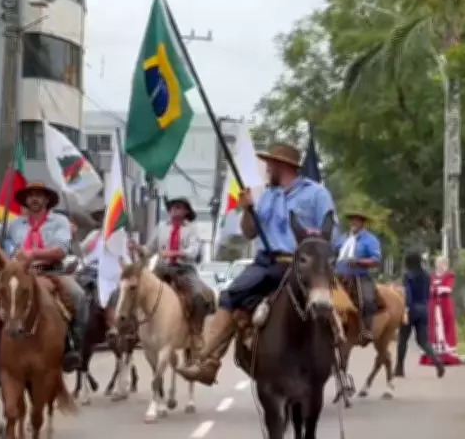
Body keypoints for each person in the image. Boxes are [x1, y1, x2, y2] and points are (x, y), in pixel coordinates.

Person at [176, 143, 337, 385]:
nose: (267, 169)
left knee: (334, 304)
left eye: (270, 165)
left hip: (302, 262)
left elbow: (331, 233)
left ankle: (337, 360)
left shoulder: (316, 194)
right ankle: (209, 363)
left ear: (283, 166)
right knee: (231, 295)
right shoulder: (267, 195)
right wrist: (248, 210)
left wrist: (313, 239)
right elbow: (249, 233)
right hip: (266, 262)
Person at [0, 181, 87, 373]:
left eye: (39, 195)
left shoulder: (60, 221)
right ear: (25, 200)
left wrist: (34, 254)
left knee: (78, 295)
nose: (34, 198)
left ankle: (74, 346)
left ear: (47, 200)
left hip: (50, 272)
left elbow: (60, 250)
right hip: (18, 275)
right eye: (30, 195)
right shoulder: (14, 223)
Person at [132, 197, 205, 350]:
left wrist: (177, 252)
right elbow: (149, 250)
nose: (174, 209)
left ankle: (196, 333)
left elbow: (194, 251)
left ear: (186, 211)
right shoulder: (161, 227)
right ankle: (134, 329)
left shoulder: (192, 229)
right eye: (172, 207)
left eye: (178, 207)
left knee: (199, 295)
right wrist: (137, 248)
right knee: (137, 289)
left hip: (184, 269)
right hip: (162, 267)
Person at [395, 252, 446, 378]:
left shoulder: (408, 275)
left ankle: (399, 368)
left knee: (402, 339)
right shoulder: (427, 275)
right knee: (423, 340)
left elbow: (408, 293)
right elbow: (428, 294)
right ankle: (437, 361)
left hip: (411, 309)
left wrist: (406, 309)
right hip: (424, 309)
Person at [335, 209, 381, 343]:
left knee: (367, 300)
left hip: (360, 276)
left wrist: (358, 262)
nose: (353, 222)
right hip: (339, 275)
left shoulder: (370, 240)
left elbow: (375, 260)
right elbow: (333, 252)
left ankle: (367, 330)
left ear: (362, 223)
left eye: (357, 220)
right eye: (352, 219)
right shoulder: (343, 238)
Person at [421, 256, 459, 366]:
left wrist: (435, 289)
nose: (441, 266)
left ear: (446, 265)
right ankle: (433, 356)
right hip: (433, 306)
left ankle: (446, 356)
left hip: (445, 305)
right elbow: (428, 288)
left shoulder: (449, 276)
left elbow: (448, 288)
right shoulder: (432, 276)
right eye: (439, 264)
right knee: (433, 328)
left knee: (445, 327)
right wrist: (432, 289)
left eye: (443, 264)